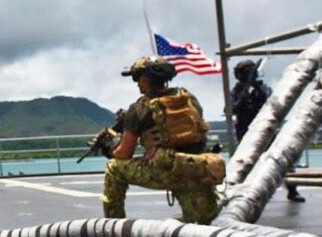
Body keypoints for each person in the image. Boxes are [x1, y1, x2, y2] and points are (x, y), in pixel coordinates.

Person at [100, 56, 224, 224]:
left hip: (164, 170)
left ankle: (113, 227)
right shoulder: (189, 99)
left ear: (145, 78)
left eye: (138, 78)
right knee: (204, 223)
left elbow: (124, 154)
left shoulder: (139, 109)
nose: (137, 83)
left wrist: (108, 150)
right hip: (196, 168)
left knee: (114, 168)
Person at [231, 60, 305, 202]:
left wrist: (257, 89)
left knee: (281, 159)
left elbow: (273, 104)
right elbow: (231, 108)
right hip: (245, 132)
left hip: (266, 130)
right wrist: (244, 92)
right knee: (245, 163)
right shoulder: (237, 91)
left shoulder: (264, 88)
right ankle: (240, 193)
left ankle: (292, 190)